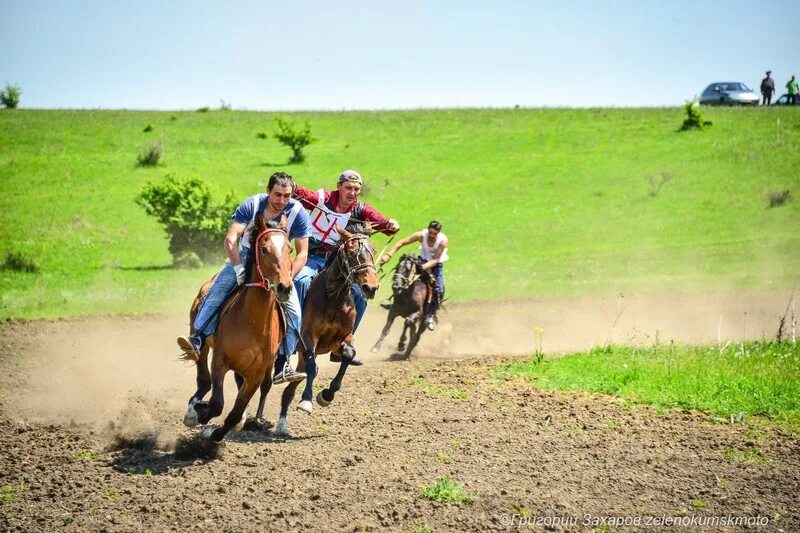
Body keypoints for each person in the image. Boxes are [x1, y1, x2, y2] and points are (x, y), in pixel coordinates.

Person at [177, 172, 311, 384]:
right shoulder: (253, 204)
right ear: (268, 191)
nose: (282, 201)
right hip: (247, 256)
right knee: (216, 291)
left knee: (294, 309)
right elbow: (231, 239)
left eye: (287, 195)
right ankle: (198, 338)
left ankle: (283, 363)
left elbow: (303, 252)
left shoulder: (298, 212)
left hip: (279, 262)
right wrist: (238, 268)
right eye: (277, 195)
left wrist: (288, 275)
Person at [292, 170, 400, 363]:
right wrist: (293, 188)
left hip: (338, 264)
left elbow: (379, 221)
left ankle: (344, 343)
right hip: (312, 256)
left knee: (360, 297)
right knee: (300, 281)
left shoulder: (359, 209)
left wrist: (389, 224)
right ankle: (293, 335)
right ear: (339, 186)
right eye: (348, 188)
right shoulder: (322, 199)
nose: (352, 193)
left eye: (357, 189)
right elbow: (305, 195)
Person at [379, 220, 448, 331]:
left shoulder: (442, 241)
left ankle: (430, 315)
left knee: (439, 290)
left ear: (438, 233)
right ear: (428, 230)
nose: (431, 235)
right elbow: (401, 242)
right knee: (402, 275)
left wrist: (424, 267)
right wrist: (389, 255)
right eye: (430, 232)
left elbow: (435, 260)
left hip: (435, 266)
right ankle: (394, 303)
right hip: (421, 261)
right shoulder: (421, 235)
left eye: (434, 234)